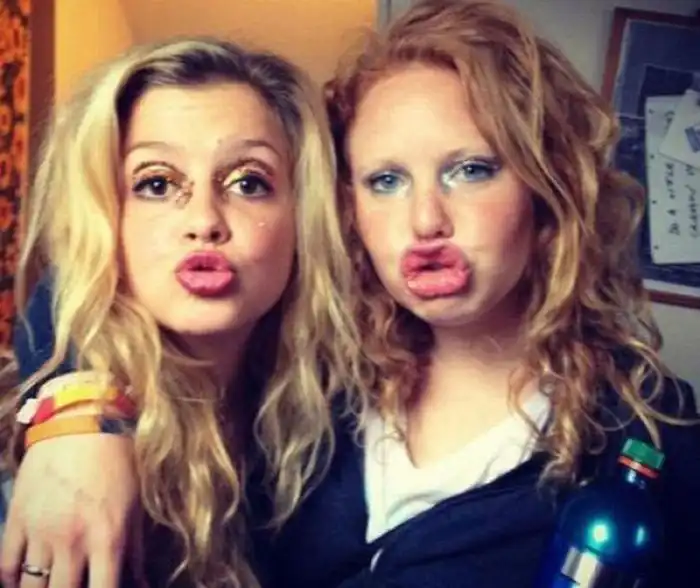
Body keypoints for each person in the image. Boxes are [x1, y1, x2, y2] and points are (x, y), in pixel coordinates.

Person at [6, 0, 700, 586]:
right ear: (346, 208)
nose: (425, 220)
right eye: (385, 180)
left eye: (470, 169)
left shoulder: (651, 432)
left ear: (547, 189)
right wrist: (82, 415)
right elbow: (99, 273)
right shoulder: (320, 361)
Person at [0, 38, 364, 588]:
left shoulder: (337, 416)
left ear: (302, 216)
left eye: (249, 182)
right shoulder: (36, 464)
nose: (204, 220)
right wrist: (81, 411)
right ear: (107, 220)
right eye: (156, 184)